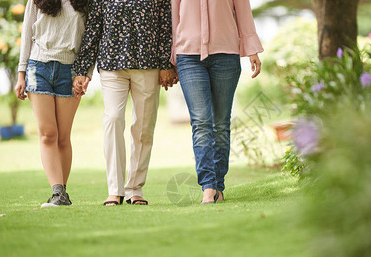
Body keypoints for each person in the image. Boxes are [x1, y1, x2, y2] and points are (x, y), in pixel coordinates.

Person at [72, 0, 177, 206]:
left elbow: (166, 26)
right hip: (112, 64)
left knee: (144, 126)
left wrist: (166, 63)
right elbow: (94, 27)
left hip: (148, 64)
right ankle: (115, 190)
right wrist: (83, 70)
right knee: (113, 119)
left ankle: (135, 189)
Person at [171, 0, 263, 204]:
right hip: (189, 55)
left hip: (226, 55)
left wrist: (252, 50)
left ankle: (218, 185)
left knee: (221, 124)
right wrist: (171, 56)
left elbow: (243, 12)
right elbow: (174, 14)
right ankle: (208, 186)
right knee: (201, 122)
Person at [14, 0, 89, 207]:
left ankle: (61, 195)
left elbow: (91, 40)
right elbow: (27, 36)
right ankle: (58, 194)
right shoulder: (35, 1)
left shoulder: (85, 2)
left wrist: (86, 74)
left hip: (70, 71)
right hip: (39, 68)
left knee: (63, 137)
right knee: (48, 134)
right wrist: (21, 75)